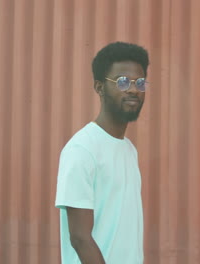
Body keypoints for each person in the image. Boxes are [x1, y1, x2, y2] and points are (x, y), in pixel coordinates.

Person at [55, 41, 149, 264]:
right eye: (123, 82)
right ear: (99, 87)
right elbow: (79, 238)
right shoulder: (82, 150)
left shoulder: (128, 149)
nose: (134, 89)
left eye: (140, 82)